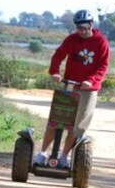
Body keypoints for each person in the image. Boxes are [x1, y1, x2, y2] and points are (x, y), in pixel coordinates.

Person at [34, 9, 110, 167]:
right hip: (70, 84)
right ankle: (42, 153)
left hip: (89, 89)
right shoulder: (72, 39)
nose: (82, 31)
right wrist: (54, 72)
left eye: (85, 27)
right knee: (57, 120)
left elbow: (103, 66)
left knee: (78, 126)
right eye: (79, 28)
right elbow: (58, 55)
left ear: (91, 25)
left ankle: (63, 156)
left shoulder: (101, 41)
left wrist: (91, 80)